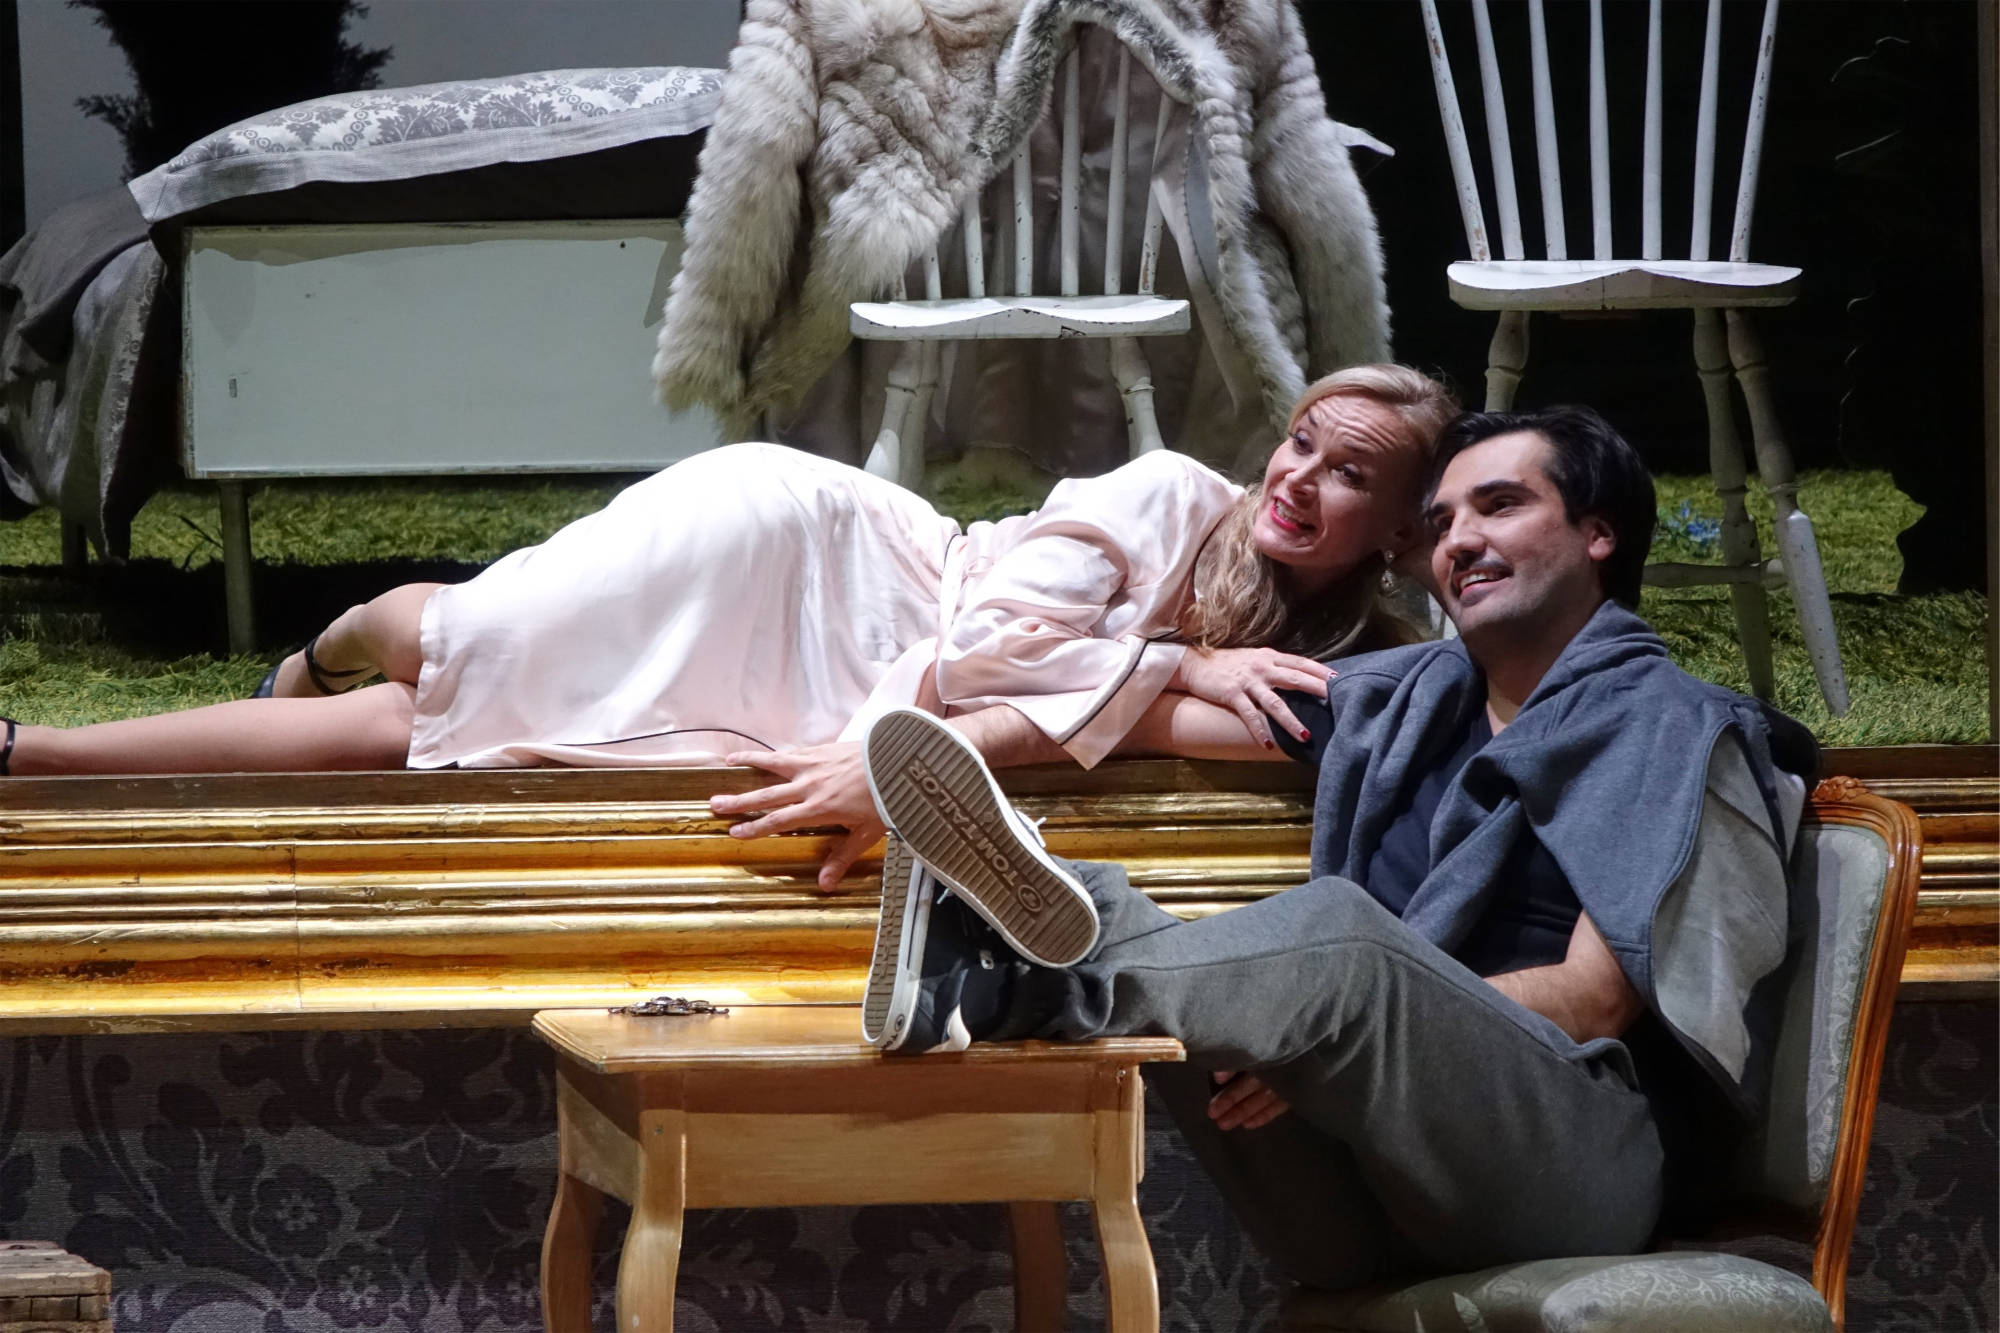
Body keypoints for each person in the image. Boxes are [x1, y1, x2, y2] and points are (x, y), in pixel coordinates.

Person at [855, 404, 1821, 1284]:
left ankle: (999, 992)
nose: (1459, 541)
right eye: (1441, 521)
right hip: (1370, 1192)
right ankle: (980, 945)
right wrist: (973, 736)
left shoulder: (1669, 725)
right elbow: (1145, 718)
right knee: (1108, 908)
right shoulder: (1405, 697)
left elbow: (1590, 999)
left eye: (1498, 506)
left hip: (1579, 1167)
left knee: (1346, 942)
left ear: (1598, 533)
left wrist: (1346, 1034)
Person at [0, 365, 1458, 888]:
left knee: (442, 742)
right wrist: (1175, 660)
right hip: (811, 558)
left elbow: (1170, 729)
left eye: (1349, 476)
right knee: (443, 652)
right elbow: (995, 655)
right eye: (1299, 442)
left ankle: (32, 752)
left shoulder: (1348, 646)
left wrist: (1165, 685)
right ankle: (334, 633)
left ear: (1399, 528)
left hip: (850, 690)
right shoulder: (1173, 493)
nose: (1296, 482)